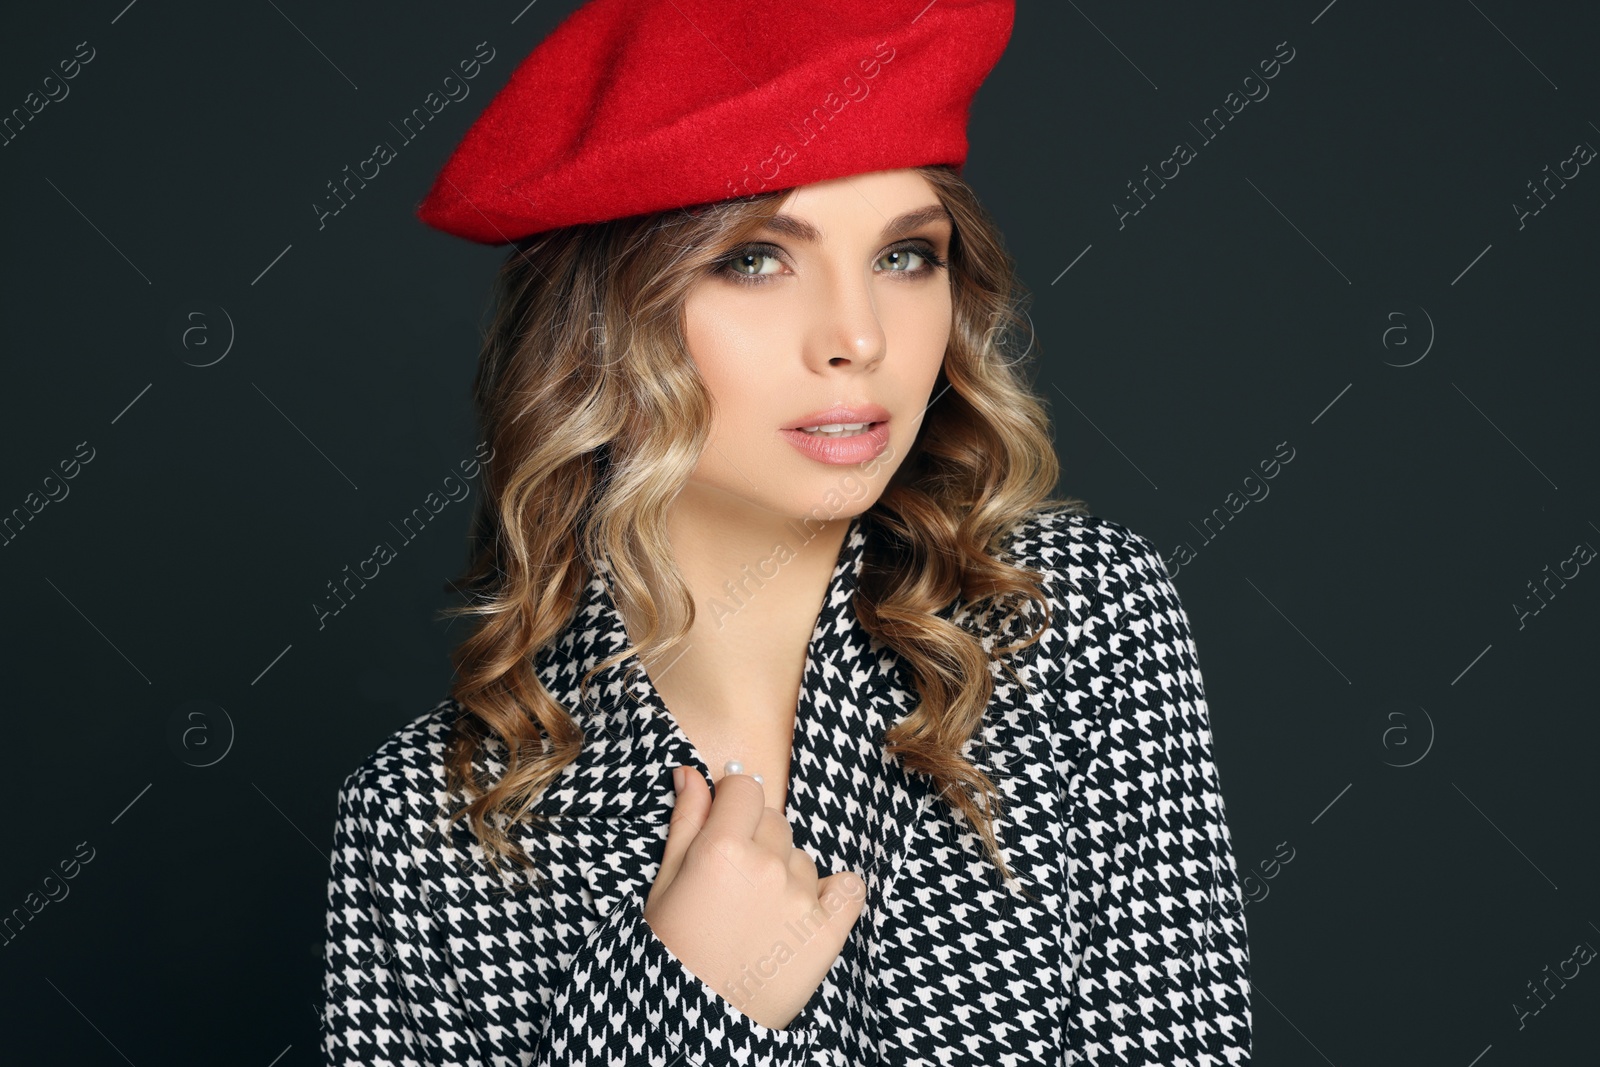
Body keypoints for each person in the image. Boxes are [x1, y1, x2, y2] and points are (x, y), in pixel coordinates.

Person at [318, 1, 1252, 1064]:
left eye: (906, 256)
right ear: (599, 319)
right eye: (757, 259)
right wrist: (674, 1006)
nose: (857, 336)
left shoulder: (1072, 623)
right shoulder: (431, 827)